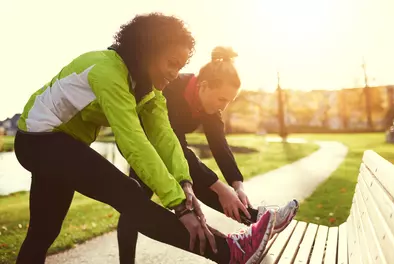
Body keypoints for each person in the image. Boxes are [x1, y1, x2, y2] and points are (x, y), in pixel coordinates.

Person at [14, 13, 280, 264]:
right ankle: (230, 252)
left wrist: (185, 184)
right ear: (148, 51)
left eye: (181, 66)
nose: (175, 73)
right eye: (171, 63)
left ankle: (233, 250)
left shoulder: (148, 90)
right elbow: (134, 141)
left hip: (57, 145)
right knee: (128, 193)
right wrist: (179, 205)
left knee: (43, 232)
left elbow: (165, 138)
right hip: (39, 141)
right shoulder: (108, 72)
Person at [117, 46, 299, 263]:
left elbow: (219, 145)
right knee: (134, 204)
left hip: (169, 149)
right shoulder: (172, 90)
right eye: (222, 99)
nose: (224, 106)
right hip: (142, 145)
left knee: (192, 184)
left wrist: (236, 184)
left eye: (229, 101)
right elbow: (174, 146)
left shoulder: (209, 107)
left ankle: (256, 219)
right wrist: (219, 187)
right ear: (203, 87)